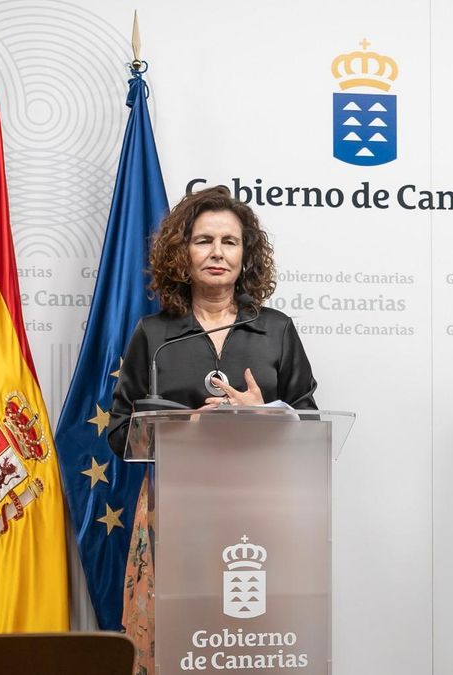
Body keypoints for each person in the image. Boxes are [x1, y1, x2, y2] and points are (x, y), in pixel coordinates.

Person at [106, 185, 318, 673]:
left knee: (251, 643)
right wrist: (185, 426)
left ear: (247, 255)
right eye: (204, 240)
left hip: (261, 511)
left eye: (230, 241)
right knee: (183, 645)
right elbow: (121, 433)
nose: (217, 253)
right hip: (177, 513)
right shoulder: (155, 335)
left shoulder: (277, 329)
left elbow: (310, 425)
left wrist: (266, 412)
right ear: (184, 252)